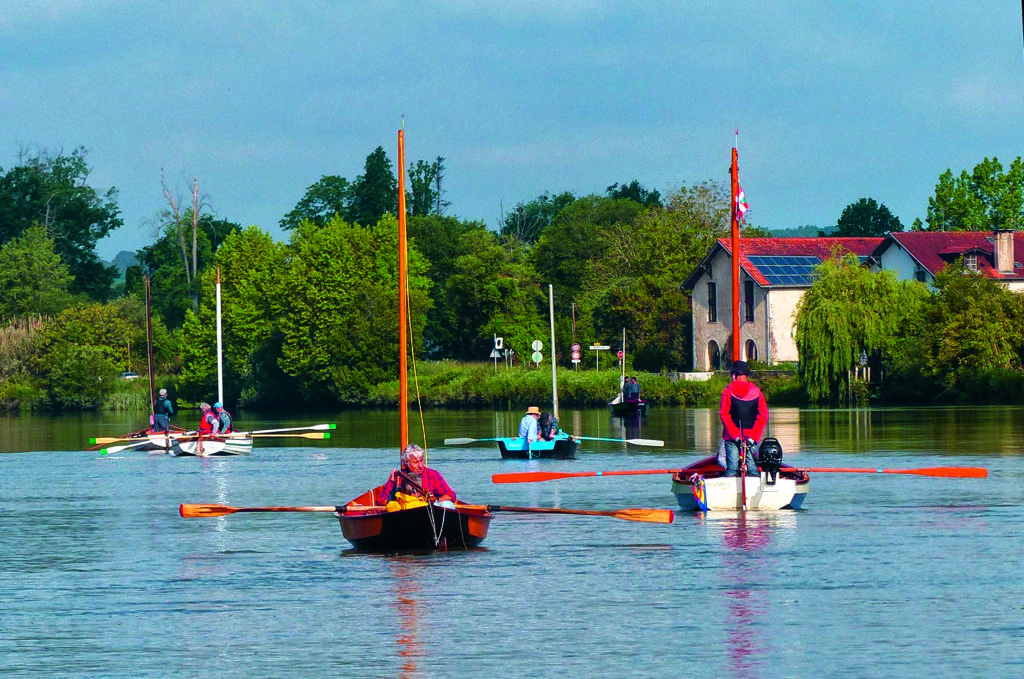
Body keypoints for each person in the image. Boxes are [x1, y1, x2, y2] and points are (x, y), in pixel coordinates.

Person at [719, 360, 767, 477]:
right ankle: (759, 490)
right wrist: (753, 437)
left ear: (734, 375)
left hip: (731, 437)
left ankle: (729, 491)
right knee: (752, 468)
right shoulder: (757, 392)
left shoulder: (728, 391)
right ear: (746, 375)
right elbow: (763, 416)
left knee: (732, 468)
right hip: (751, 437)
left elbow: (724, 415)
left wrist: (735, 436)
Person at [376, 444, 456, 509]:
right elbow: (381, 500)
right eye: (416, 462)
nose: (420, 465)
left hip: (430, 511)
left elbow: (450, 495)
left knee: (447, 505)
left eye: (421, 461)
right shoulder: (399, 477)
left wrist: (436, 500)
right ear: (406, 463)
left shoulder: (432, 474)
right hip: (405, 516)